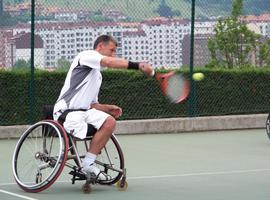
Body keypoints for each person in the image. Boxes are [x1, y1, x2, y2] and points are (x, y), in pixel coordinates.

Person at [53, 34, 154, 181]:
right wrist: (138, 65)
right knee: (78, 123)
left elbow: (92, 104)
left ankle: (88, 164)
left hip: (85, 112)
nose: (113, 54)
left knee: (110, 122)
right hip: (65, 111)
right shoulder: (86, 55)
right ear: (100, 46)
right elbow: (108, 62)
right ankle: (70, 152)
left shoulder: (97, 75)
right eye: (111, 50)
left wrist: (107, 108)